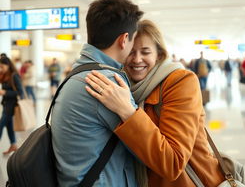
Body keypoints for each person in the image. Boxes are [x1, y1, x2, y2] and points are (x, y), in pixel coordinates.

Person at [85, 20, 225, 187]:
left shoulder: (180, 81)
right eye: (131, 52)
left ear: (159, 55)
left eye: (145, 52)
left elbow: (173, 163)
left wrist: (128, 111)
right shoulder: (121, 85)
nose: (137, 59)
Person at [51, 0, 143, 186]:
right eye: (134, 41)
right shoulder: (106, 82)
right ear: (124, 39)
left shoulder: (79, 72)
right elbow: (144, 149)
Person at [0, 56, 24, 154]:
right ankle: (13, 145)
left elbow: (20, 92)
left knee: (1, 125)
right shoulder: (5, 75)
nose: (1, 69)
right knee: (9, 125)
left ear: (8, 65)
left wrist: (5, 92)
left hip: (12, 106)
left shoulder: (14, 75)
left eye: (2, 66)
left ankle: (13, 144)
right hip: (6, 105)